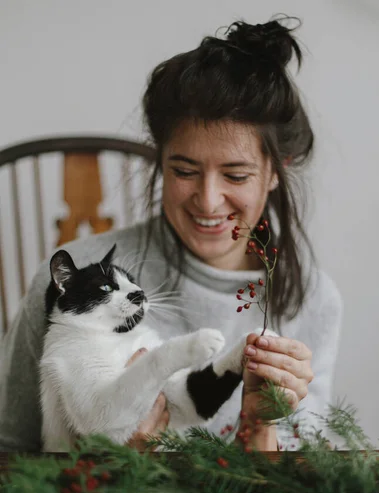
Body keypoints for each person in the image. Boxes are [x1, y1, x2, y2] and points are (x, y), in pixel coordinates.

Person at [0, 17, 342, 452]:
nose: (208, 200)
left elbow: (309, 490)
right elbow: (10, 453)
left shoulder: (312, 300)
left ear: (278, 170)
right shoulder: (73, 285)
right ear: (160, 160)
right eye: (184, 171)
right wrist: (109, 468)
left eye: (236, 175)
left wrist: (260, 428)